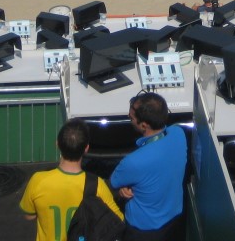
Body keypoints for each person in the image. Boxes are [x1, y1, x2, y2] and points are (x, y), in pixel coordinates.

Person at [20, 118, 123, 241]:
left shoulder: (38, 180)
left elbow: (29, 215)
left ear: (57, 144)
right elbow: (118, 220)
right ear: (86, 148)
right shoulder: (97, 185)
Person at [110, 93, 186, 241]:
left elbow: (113, 182)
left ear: (144, 125)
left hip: (142, 231)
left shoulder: (132, 162)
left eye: (131, 118)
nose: (129, 116)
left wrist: (122, 189)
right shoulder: (179, 134)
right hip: (175, 219)